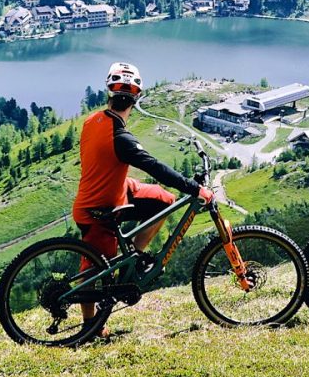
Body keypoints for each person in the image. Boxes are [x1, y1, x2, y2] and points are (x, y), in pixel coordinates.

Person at [73, 61, 212, 332]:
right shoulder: (120, 137)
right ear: (136, 99)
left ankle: (133, 257)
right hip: (98, 207)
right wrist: (195, 189)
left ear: (109, 94)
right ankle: (90, 327)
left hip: (115, 189)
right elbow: (155, 167)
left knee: (163, 200)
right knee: (93, 269)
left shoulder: (93, 121)